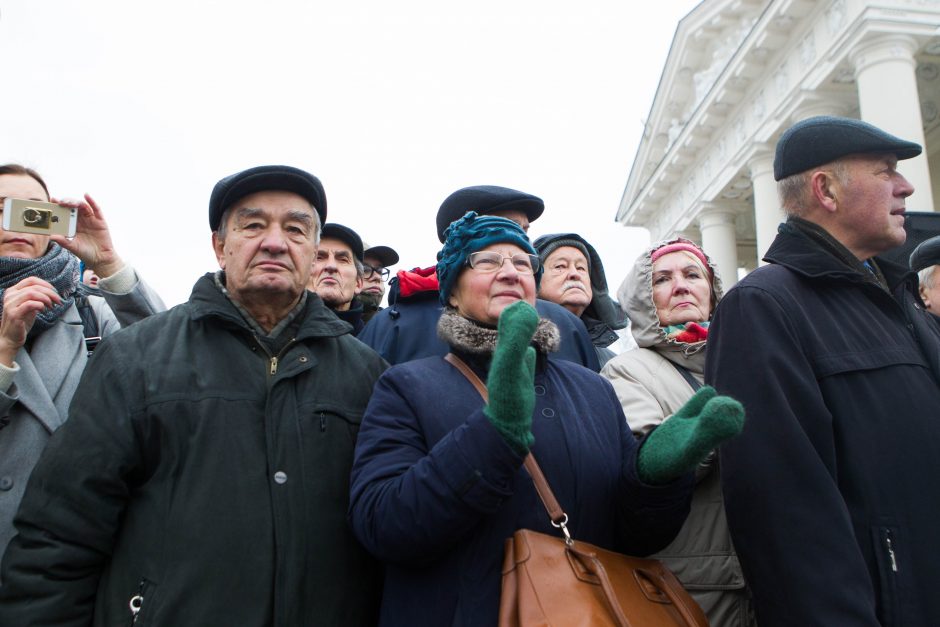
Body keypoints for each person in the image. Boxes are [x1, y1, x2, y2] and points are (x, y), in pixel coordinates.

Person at [0, 165, 387, 626]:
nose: (275, 242)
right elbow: (60, 533)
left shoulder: (366, 373)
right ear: (220, 247)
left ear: (311, 249)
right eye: (253, 225)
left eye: (296, 229)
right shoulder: (135, 358)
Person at [349, 211, 745, 625]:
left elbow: (633, 538)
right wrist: (492, 435)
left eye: (522, 263)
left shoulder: (592, 388)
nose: (509, 272)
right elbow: (382, 525)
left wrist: (655, 478)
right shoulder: (406, 386)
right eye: (486, 261)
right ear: (451, 293)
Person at [706, 116, 940, 626]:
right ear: (826, 189)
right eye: (885, 172)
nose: (907, 186)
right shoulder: (763, 307)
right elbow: (783, 516)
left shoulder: (897, 299)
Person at [0, 163, 163, 557]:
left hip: (73, 550)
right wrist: (5, 349)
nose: (16, 224)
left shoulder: (90, 312)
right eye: (2, 209)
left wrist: (107, 261)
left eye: (30, 211)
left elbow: (170, 364)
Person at [601, 238, 754, 626]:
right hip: (694, 584)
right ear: (643, 299)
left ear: (713, 290)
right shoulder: (627, 370)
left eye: (692, 275)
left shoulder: (747, 359)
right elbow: (645, 474)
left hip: (770, 572)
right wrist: (702, 437)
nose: (681, 285)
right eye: (662, 279)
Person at [358, 185, 600, 370]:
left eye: (525, 230)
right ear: (461, 235)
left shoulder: (566, 326)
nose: (520, 240)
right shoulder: (395, 325)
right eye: (506, 227)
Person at [534, 232, 629, 365]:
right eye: (560, 266)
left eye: (581, 268)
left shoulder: (613, 363)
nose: (574, 274)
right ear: (535, 280)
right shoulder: (520, 344)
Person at [309, 222, 367, 334]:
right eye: (319, 257)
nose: (331, 266)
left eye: (343, 260)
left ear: (359, 283)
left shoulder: (373, 343)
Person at [359, 242, 398, 324]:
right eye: (365, 270)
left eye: (380, 271)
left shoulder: (393, 325)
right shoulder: (326, 323)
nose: (377, 277)